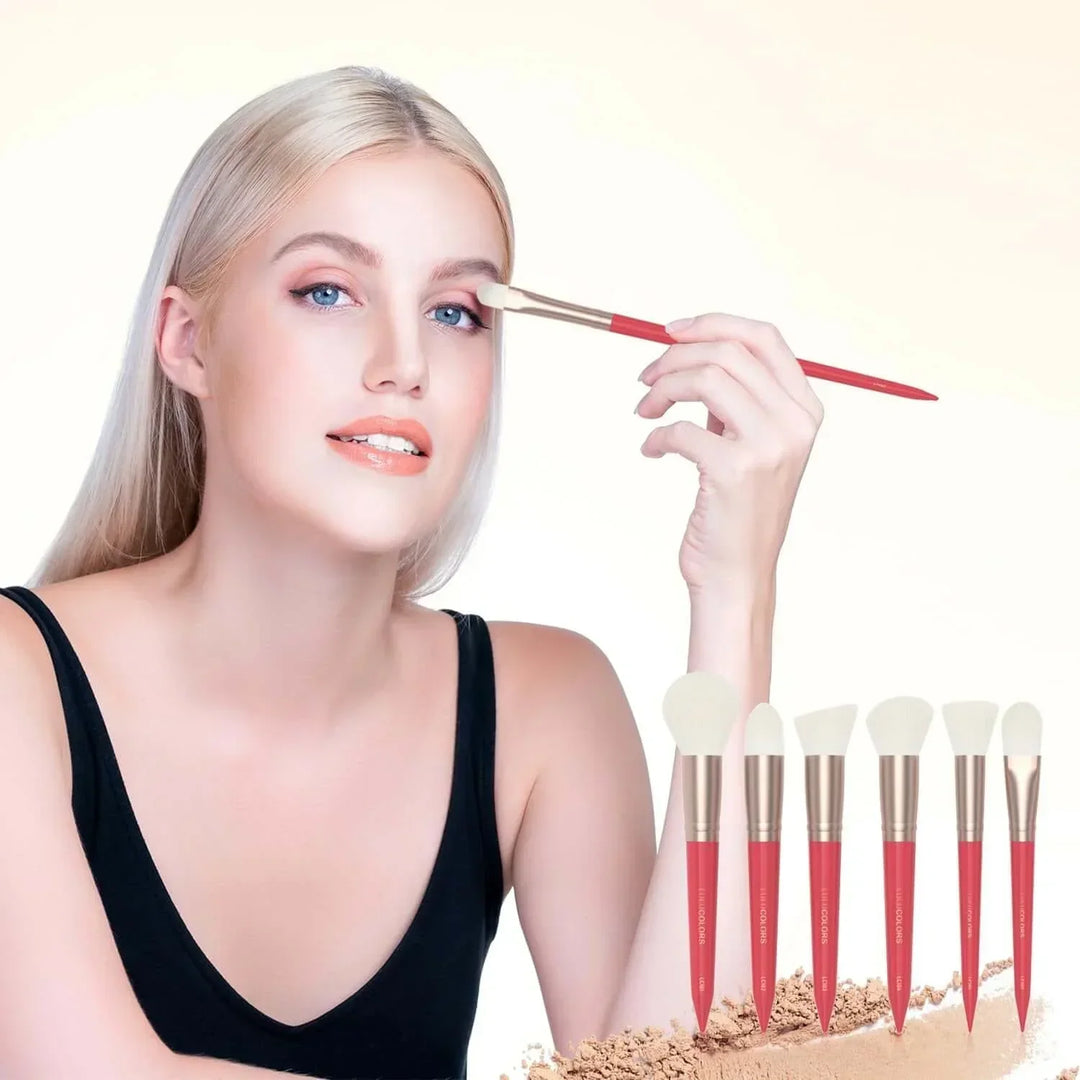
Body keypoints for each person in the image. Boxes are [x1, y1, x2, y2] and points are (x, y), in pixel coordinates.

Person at [0, 65, 823, 1080]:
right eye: (328, 291)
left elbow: (689, 1073)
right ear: (188, 341)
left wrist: (737, 598)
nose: (405, 363)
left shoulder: (546, 706)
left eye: (457, 312)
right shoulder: (13, 678)